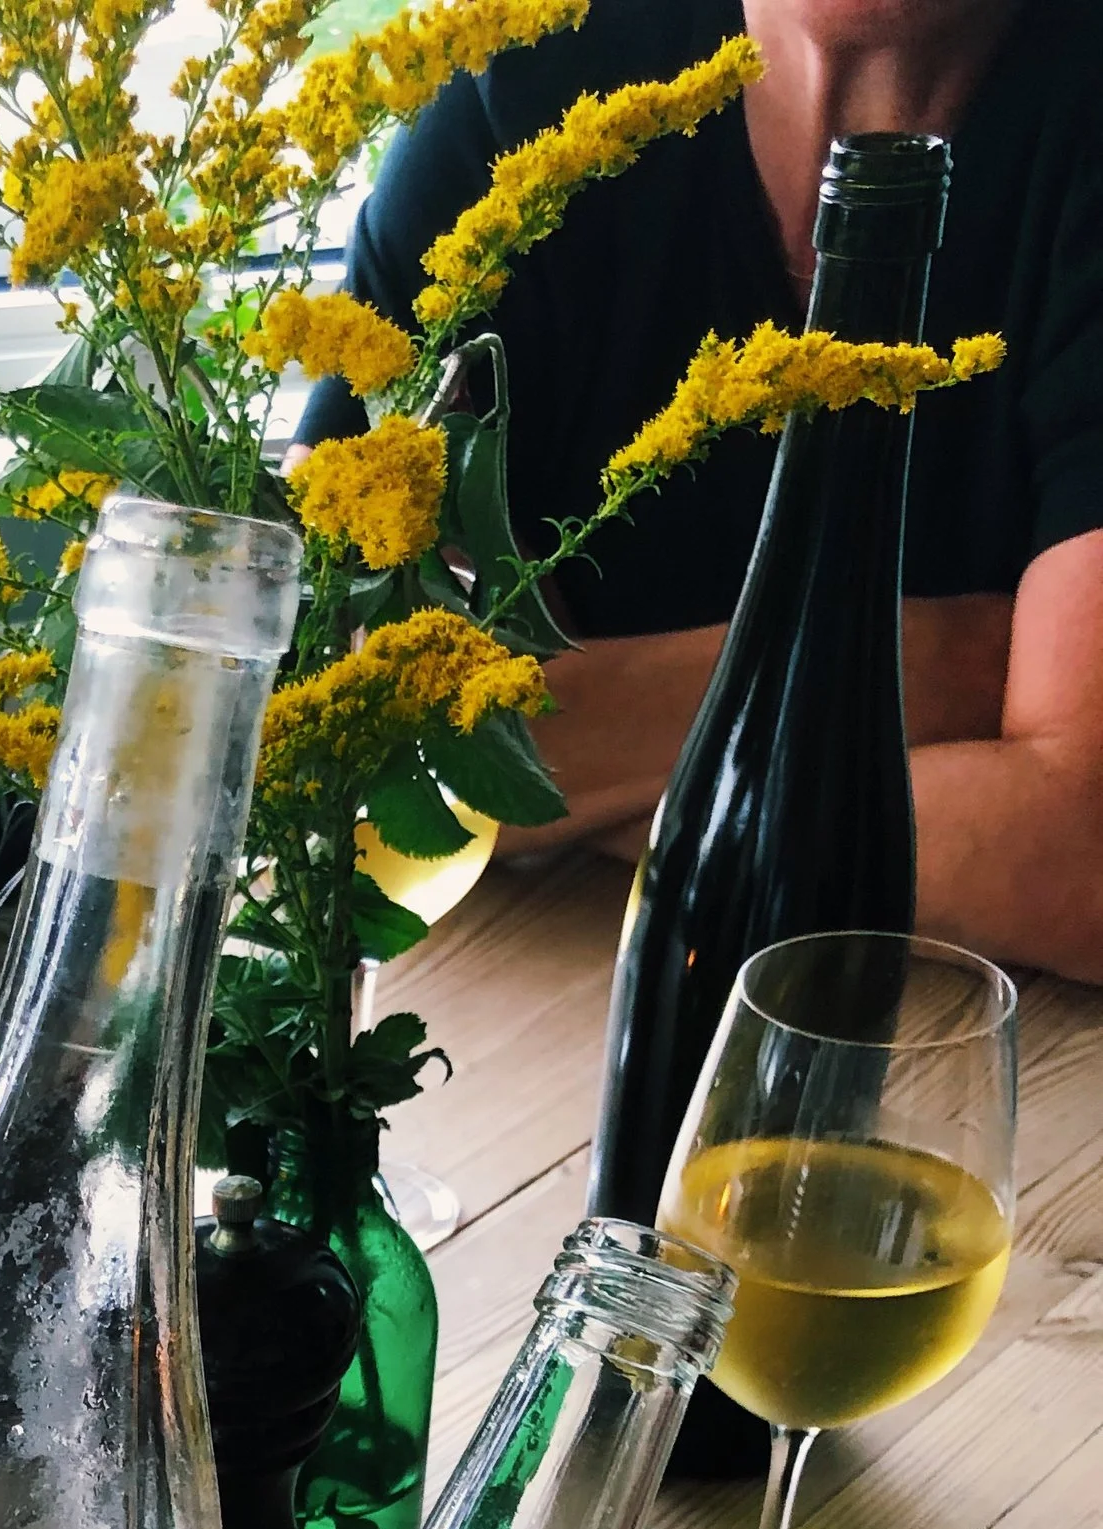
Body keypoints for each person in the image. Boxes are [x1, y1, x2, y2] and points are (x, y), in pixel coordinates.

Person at [304, 0, 1103, 982]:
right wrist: (919, 669)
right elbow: (346, 724)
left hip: (1012, 1067)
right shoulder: (524, 94)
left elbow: (1082, 850)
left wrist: (566, 760)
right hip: (539, 1001)